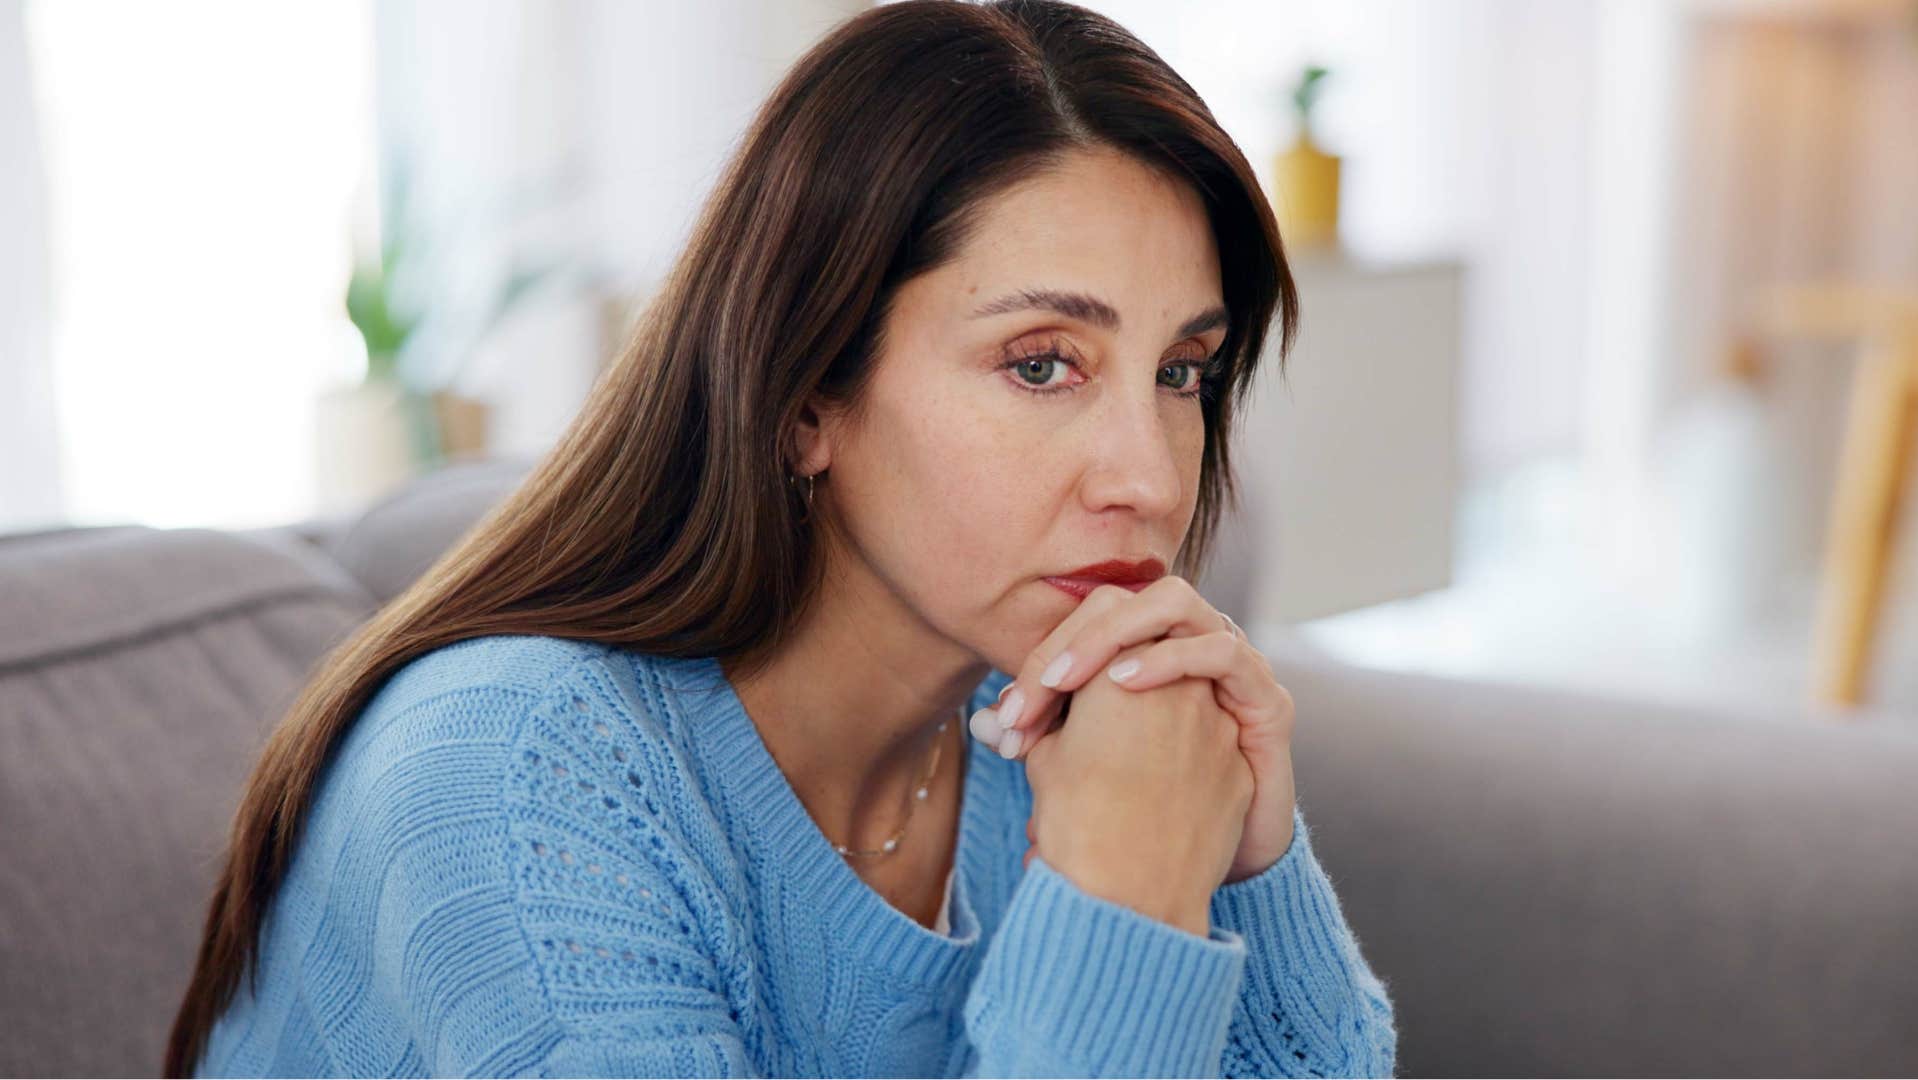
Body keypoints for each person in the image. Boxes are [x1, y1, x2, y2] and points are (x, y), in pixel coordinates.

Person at [167, 1, 1398, 1075]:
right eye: (1041, 364)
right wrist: (1121, 898)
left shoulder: (1059, 725)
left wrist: (1246, 865)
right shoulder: (515, 782)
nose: (1148, 477)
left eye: (1183, 371)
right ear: (808, 397)